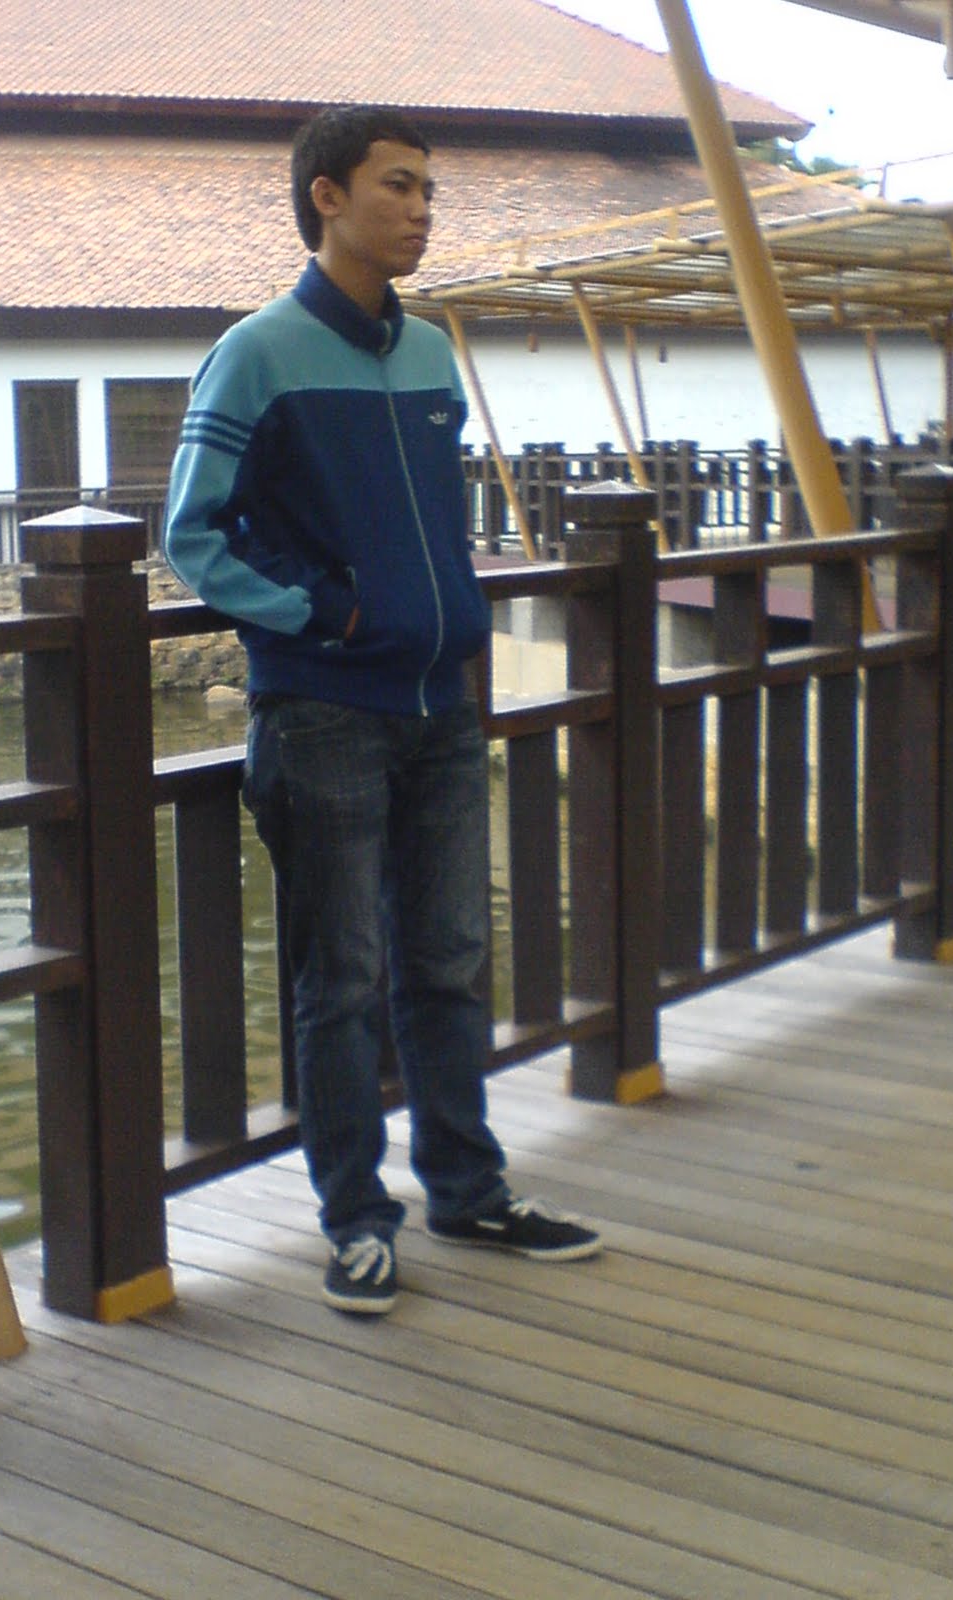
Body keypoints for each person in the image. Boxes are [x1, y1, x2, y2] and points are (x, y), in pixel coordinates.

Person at [164, 104, 602, 1314]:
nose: (420, 209)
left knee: (451, 963)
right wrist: (329, 616)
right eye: (397, 185)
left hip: (441, 707)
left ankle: (469, 1189)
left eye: (427, 191)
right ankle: (357, 1221)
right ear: (327, 196)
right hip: (324, 712)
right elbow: (192, 533)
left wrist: (435, 615)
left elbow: (434, 526)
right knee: (342, 981)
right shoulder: (255, 352)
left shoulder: (430, 355)